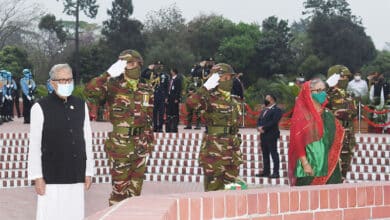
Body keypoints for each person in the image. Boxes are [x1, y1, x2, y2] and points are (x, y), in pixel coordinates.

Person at [85, 49, 154, 206]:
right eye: (124, 64)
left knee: (135, 191)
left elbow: (148, 117)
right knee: (119, 191)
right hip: (120, 146)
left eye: (131, 63)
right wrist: (107, 74)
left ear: (139, 64)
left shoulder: (147, 88)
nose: (128, 67)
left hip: (141, 145)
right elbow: (89, 91)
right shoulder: (113, 85)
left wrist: (149, 143)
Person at [28, 64, 93, 220]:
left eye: (69, 79)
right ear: (52, 82)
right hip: (51, 176)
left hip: (76, 173)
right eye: (62, 80)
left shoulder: (80, 105)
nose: (67, 83)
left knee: (75, 215)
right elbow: (35, 146)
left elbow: (87, 140)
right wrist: (37, 176)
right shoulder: (40, 107)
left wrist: (89, 171)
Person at [186, 63, 243, 191]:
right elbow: (190, 103)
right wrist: (205, 88)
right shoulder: (209, 99)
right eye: (225, 78)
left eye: (230, 78)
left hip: (232, 153)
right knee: (213, 192)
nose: (228, 82)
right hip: (215, 153)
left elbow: (235, 126)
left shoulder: (234, 101)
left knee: (231, 191)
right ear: (216, 79)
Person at [288, 79, 344, 186]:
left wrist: (337, 158)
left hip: (330, 164)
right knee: (308, 198)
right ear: (309, 93)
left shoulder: (328, 114)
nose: (322, 93)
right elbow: (298, 141)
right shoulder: (303, 116)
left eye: (324, 90)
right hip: (311, 164)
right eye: (318, 90)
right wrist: (305, 163)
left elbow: (335, 138)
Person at [326, 65, 357, 178]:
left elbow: (354, 112)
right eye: (343, 77)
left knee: (345, 165)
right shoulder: (327, 95)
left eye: (347, 77)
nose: (346, 79)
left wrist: (345, 113)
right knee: (332, 165)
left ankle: (341, 183)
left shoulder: (349, 95)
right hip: (333, 135)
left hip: (348, 136)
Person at [255, 94, 282, 178]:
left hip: (272, 134)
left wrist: (263, 127)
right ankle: (266, 171)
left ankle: (276, 172)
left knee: (273, 153)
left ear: (272, 100)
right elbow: (259, 119)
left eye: (267, 99)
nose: (265, 100)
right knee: (265, 153)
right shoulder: (264, 110)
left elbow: (274, 121)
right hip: (263, 134)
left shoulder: (277, 110)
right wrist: (259, 127)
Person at [184, 57, 215, 129]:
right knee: (190, 107)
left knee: (199, 108)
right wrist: (199, 66)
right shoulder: (200, 69)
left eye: (211, 62)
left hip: (203, 91)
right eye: (208, 62)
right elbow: (193, 74)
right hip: (196, 90)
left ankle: (199, 124)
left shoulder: (208, 70)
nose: (209, 63)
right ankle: (189, 124)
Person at [141, 61, 169, 132]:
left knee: (161, 113)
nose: (159, 67)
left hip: (162, 96)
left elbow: (167, 87)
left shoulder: (165, 76)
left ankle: (160, 127)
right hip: (153, 96)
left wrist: (166, 97)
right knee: (154, 113)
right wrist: (147, 68)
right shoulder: (151, 74)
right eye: (157, 65)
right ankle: (155, 127)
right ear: (154, 66)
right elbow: (142, 76)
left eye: (160, 65)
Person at [165, 68, 182, 133]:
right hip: (169, 97)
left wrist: (177, 98)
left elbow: (178, 89)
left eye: (171, 71)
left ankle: (174, 127)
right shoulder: (170, 79)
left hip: (174, 98)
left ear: (174, 72)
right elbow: (168, 89)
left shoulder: (178, 79)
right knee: (169, 112)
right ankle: (168, 127)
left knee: (175, 112)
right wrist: (166, 97)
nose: (170, 72)